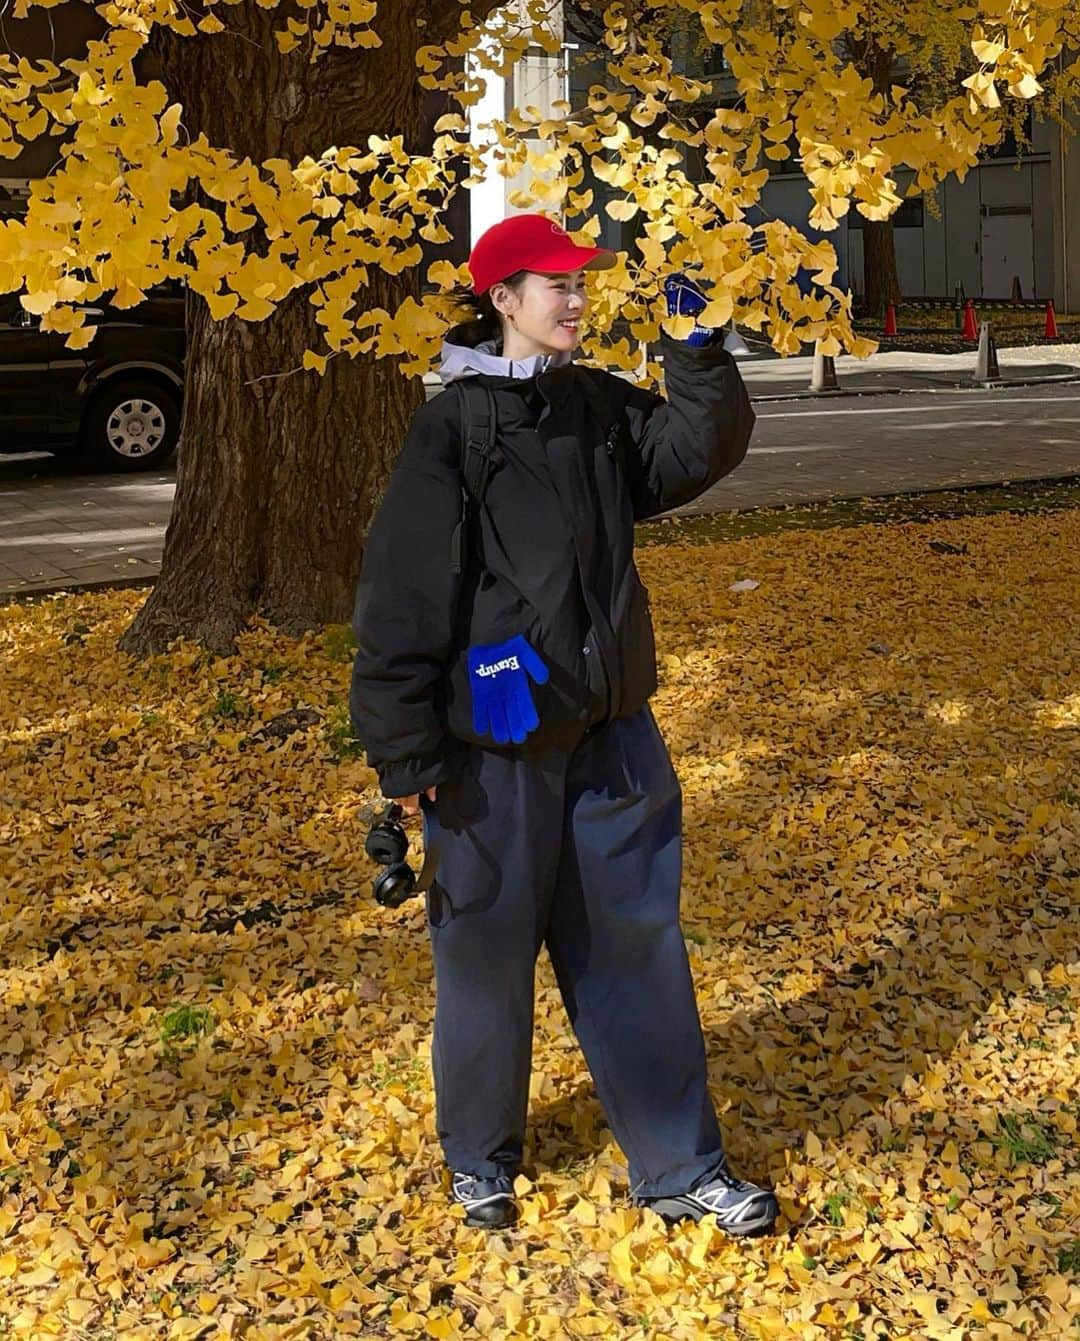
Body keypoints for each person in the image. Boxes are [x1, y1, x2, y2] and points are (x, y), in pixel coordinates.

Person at [349, 212, 778, 1236]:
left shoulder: (595, 407)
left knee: (638, 948)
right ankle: (479, 1162)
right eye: (555, 285)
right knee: (487, 963)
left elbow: (687, 454)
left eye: (582, 284)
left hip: (610, 736)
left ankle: (680, 1167)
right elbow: (402, 596)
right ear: (502, 301)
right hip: (492, 747)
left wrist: (699, 350)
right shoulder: (453, 429)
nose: (577, 299)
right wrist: (404, 755)